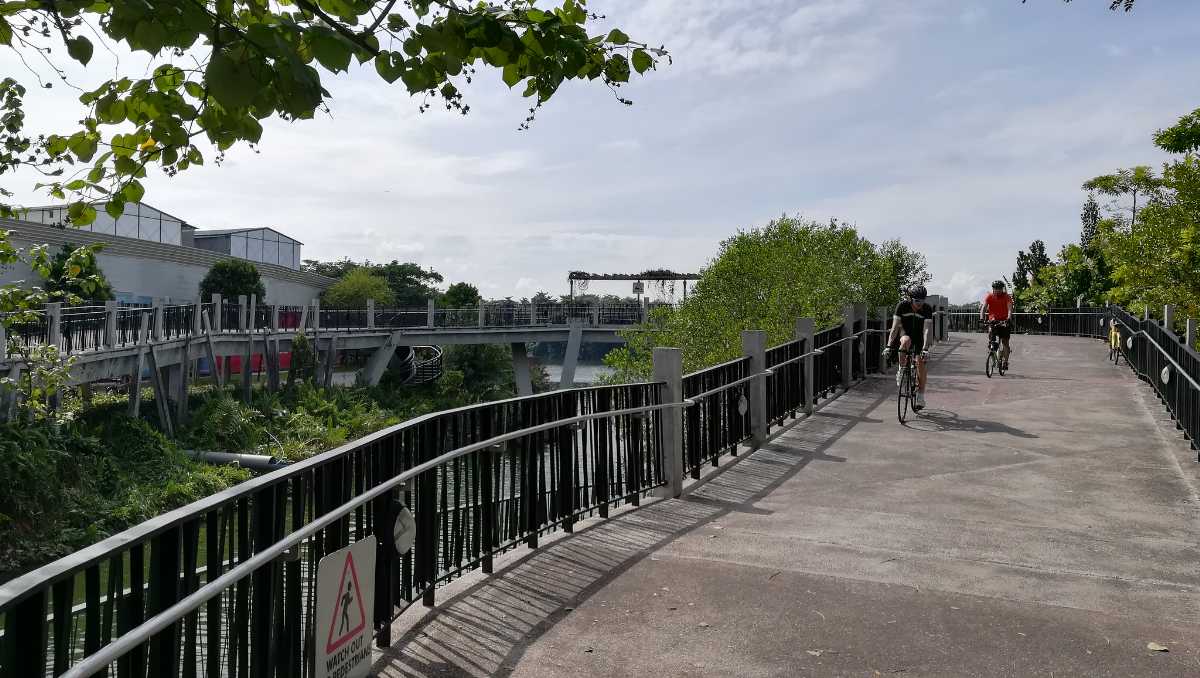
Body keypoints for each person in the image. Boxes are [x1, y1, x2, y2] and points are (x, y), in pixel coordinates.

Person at [886, 285, 934, 410]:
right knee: (905, 341)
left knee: (921, 363)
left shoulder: (927, 309)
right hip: (905, 333)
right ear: (910, 298)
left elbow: (927, 330)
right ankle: (902, 370)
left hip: (920, 337)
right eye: (917, 301)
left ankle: (921, 395)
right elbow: (895, 327)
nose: (920, 303)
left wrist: (925, 349)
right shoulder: (902, 306)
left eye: (923, 300)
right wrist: (888, 345)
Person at [980, 280, 1014, 369]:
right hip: (993, 321)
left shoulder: (1007, 297)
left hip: (1004, 321)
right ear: (993, 289)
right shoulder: (989, 296)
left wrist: (1009, 318)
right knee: (991, 335)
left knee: (1005, 343)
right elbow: (983, 308)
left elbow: (1010, 309)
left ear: (1002, 289)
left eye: (999, 288)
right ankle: (992, 348)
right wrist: (981, 318)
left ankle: (1005, 362)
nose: (997, 290)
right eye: (995, 288)